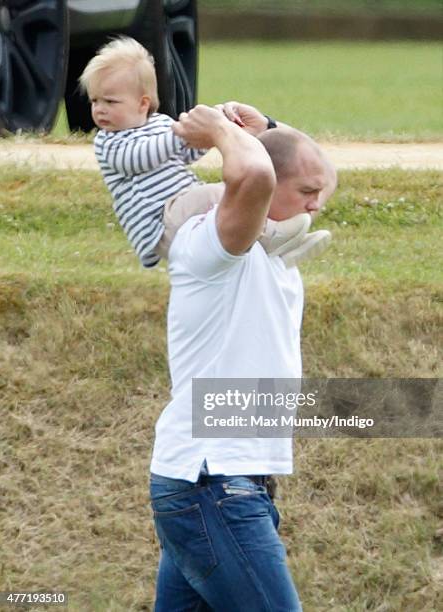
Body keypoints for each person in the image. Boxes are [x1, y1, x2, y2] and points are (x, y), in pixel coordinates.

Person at [149, 103, 337, 611]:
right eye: (306, 194)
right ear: (265, 192)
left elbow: (294, 168)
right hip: (212, 486)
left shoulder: (272, 253)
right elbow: (254, 173)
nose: (317, 205)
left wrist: (271, 130)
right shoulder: (213, 248)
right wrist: (216, 131)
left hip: (223, 486)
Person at [78, 36, 332, 270]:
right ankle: (275, 234)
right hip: (160, 222)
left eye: (110, 102)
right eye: (94, 101)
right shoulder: (108, 142)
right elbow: (139, 159)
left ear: (143, 103)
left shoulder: (161, 124)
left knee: (233, 199)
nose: (100, 109)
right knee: (220, 194)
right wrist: (188, 133)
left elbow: (187, 154)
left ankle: (274, 248)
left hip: (180, 207)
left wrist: (215, 133)